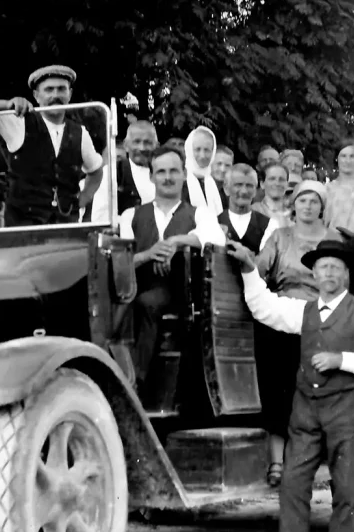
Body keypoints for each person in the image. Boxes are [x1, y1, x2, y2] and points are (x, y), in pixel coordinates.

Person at [226, 238, 354, 532]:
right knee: (292, 483)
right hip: (306, 409)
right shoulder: (304, 310)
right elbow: (264, 308)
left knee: (346, 488)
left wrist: (341, 360)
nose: (328, 273)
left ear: (346, 275)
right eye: (322, 267)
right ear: (313, 274)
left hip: (348, 409)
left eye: (335, 267)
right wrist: (248, 269)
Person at [254, 181, 340, 487]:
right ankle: (277, 461)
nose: (307, 206)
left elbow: (343, 280)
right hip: (283, 315)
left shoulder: (333, 238)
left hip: (322, 317)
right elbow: (259, 270)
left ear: (321, 206)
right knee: (279, 387)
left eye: (314, 201)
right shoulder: (280, 235)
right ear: (295, 204)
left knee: (318, 389)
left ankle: (320, 464)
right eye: (302, 199)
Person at [117, 146, 225, 389]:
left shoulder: (200, 213)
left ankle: (134, 381)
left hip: (181, 293)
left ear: (184, 174)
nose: (168, 177)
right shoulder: (131, 215)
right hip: (136, 288)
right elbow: (121, 262)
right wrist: (149, 254)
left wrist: (176, 242)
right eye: (161, 171)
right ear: (152, 177)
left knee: (147, 303)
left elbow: (217, 239)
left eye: (174, 171)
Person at [0, 64, 103, 227]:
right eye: (49, 90)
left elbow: (96, 172)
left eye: (61, 89)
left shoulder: (80, 133)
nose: (55, 95)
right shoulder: (18, 121)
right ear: (36, 96)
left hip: (64, 230)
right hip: (23, 231)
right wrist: (6, 104)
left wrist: (80, 201)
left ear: (70, 94)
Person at [89, 120, 157, 223]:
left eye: (147, 143)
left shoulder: (165, 171)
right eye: (137, 142)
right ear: (126, 145)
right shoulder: (112, 173)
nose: (142, 148)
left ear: (156, 145)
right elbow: (100, 218)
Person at [218, 164, 273, 253]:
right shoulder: (215, 223)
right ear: (226, 189)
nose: (244, 191)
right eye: (238, 185)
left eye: (249, 186)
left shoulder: (269, 226)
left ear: (255, 190)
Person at [182, 126, 224, 215]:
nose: (202, 155)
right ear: (189, 149)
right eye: (197, 149)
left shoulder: (213, 183)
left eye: (207, 150)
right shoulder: (181, 182)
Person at [251, 162, 292, 229]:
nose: (277, 183)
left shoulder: (295, 213)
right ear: (262, 184)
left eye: (281, 179)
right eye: (272, 179)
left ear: (287, 185)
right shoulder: (253, 212)